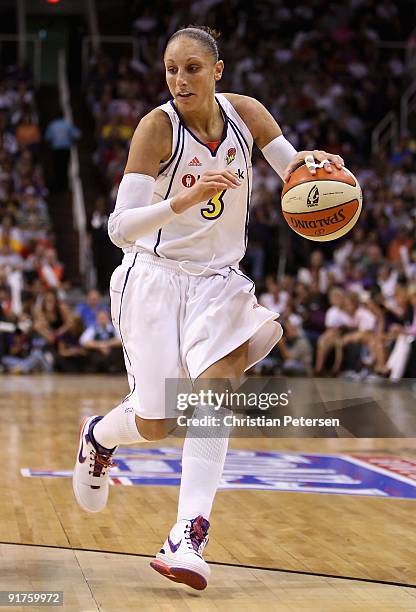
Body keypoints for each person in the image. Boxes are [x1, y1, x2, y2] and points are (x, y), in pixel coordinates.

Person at [72, 25, 344, 591]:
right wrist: (184, 200)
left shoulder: (247, 114)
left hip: (218, 283)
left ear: (217, 70)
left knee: (217, 389)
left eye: (192, 68)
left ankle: (187, 533)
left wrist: (312, 167)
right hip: (154, 281)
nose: (179, 80)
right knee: (156, 421)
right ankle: (99, 434)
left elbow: (293, 173)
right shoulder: (156, 128)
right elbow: (119, 229)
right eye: (171, 69)